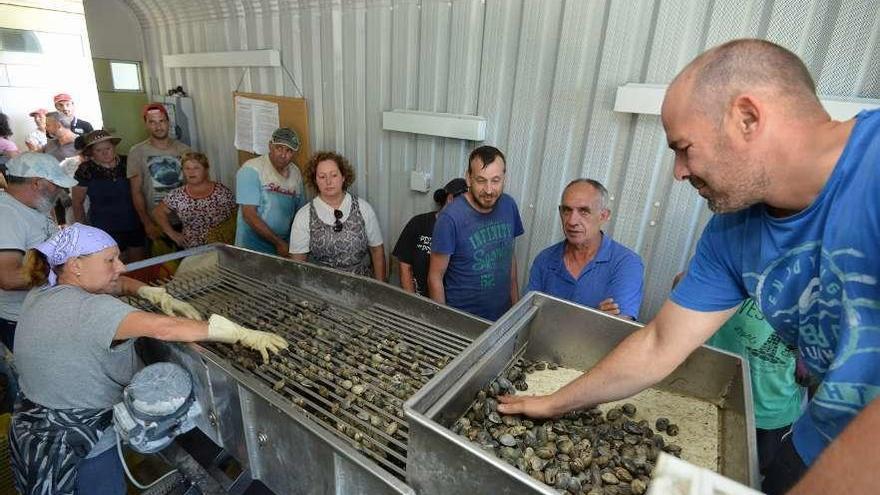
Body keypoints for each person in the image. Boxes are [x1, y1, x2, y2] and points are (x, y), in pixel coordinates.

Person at [496, 39, 880, 494]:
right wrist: (555, 403)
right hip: (816, 442)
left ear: (747, 118)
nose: (678, 172)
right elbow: (659, 342)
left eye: (684, 148)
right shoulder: (731, 231)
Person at [8, 223, 287, 495]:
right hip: (81, 447)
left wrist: (149, 292)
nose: (121, 266)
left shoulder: (45, 289)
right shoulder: (90, 309)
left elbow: (116, 285)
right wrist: (242, 334)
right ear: (76, 265)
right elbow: (163, 328)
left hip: (31, 430)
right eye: (110, 260)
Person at [427, 146, 524, 321]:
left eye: (495, 180)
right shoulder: (450, 218)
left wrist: (515, 308)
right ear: (469, 179)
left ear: (504, 179)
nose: (488, 190)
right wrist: (441, 326)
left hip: (501, 318)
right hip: (462, 322)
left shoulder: (509, 206)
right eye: (481, 180)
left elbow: (510, 257)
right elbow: (435, 277)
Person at [526, 179, 644, 320]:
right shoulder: (544, 259)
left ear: (604, 216)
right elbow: (529, 320)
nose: (572, 221)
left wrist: (553, 317)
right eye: (567, 210)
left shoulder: (626, 263)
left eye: (584, 211)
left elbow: (616, 329)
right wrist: (593, 317)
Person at [0, 153, 72, 351]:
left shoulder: (34, 206)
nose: (58, 190)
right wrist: (65, 273)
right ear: (37, 183)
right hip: (22, 321)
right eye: (55, 184)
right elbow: (8, 278)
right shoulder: (7, 214)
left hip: (44, 311)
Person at [289, 151, 386, 280]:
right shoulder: (303, 216)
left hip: (362, 285)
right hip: (322, 287)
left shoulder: (364, 208)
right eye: (322, 177)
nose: (328, 182)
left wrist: (380, 289)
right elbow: (298, 264)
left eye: (334, 175)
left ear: (343, 177)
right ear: (315, 180)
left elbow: (377, 251)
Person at [72, 130, 146, 263]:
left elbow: (141, 190)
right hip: (104, 228)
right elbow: (77, 203)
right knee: (116, 269)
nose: (105, 153)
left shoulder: (127, 162)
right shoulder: (85, 170)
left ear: (114, 147)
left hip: (133, 222)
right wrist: (84, 231)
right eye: (99, 150)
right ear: (91, 152)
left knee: (140, 266)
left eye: (108, 148)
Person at [127, 103, 191, 243]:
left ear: (168, 122)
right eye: (152, 122)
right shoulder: (137, 152)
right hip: (156, 221)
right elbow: (136, 191)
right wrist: (147, 223)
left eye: (161, 121)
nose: (158, 126)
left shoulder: (184, 150)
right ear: (146, 125)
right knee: (163, 263)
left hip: (185, 219)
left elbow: (193, 184)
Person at [235, 127, 305, 255]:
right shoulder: (251, 169)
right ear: (270, 146)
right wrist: (278, 243)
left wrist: (295, 244)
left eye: (289, 150)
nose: (283, 155)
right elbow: (249, 215)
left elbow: (300, 212)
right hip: (251, 248)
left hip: (284, 247)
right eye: (279, 148)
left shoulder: (296, 172)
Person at [393, 178, 467, 296]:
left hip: (452, 306)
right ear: (450, 199)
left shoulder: (467, 231)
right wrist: (412, 303)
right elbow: (405, 266)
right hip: (419, 301)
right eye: (466, 203)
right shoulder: (419, 223)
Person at [154, 151, 236, 248]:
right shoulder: (178, 195)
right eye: (187, 168)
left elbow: (236, 215)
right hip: (193, 250)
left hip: (222, 248)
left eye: (196, 168)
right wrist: (172, 234)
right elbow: (158, 212)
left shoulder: (221, 191)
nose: (191, 172)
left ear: (206, 170)